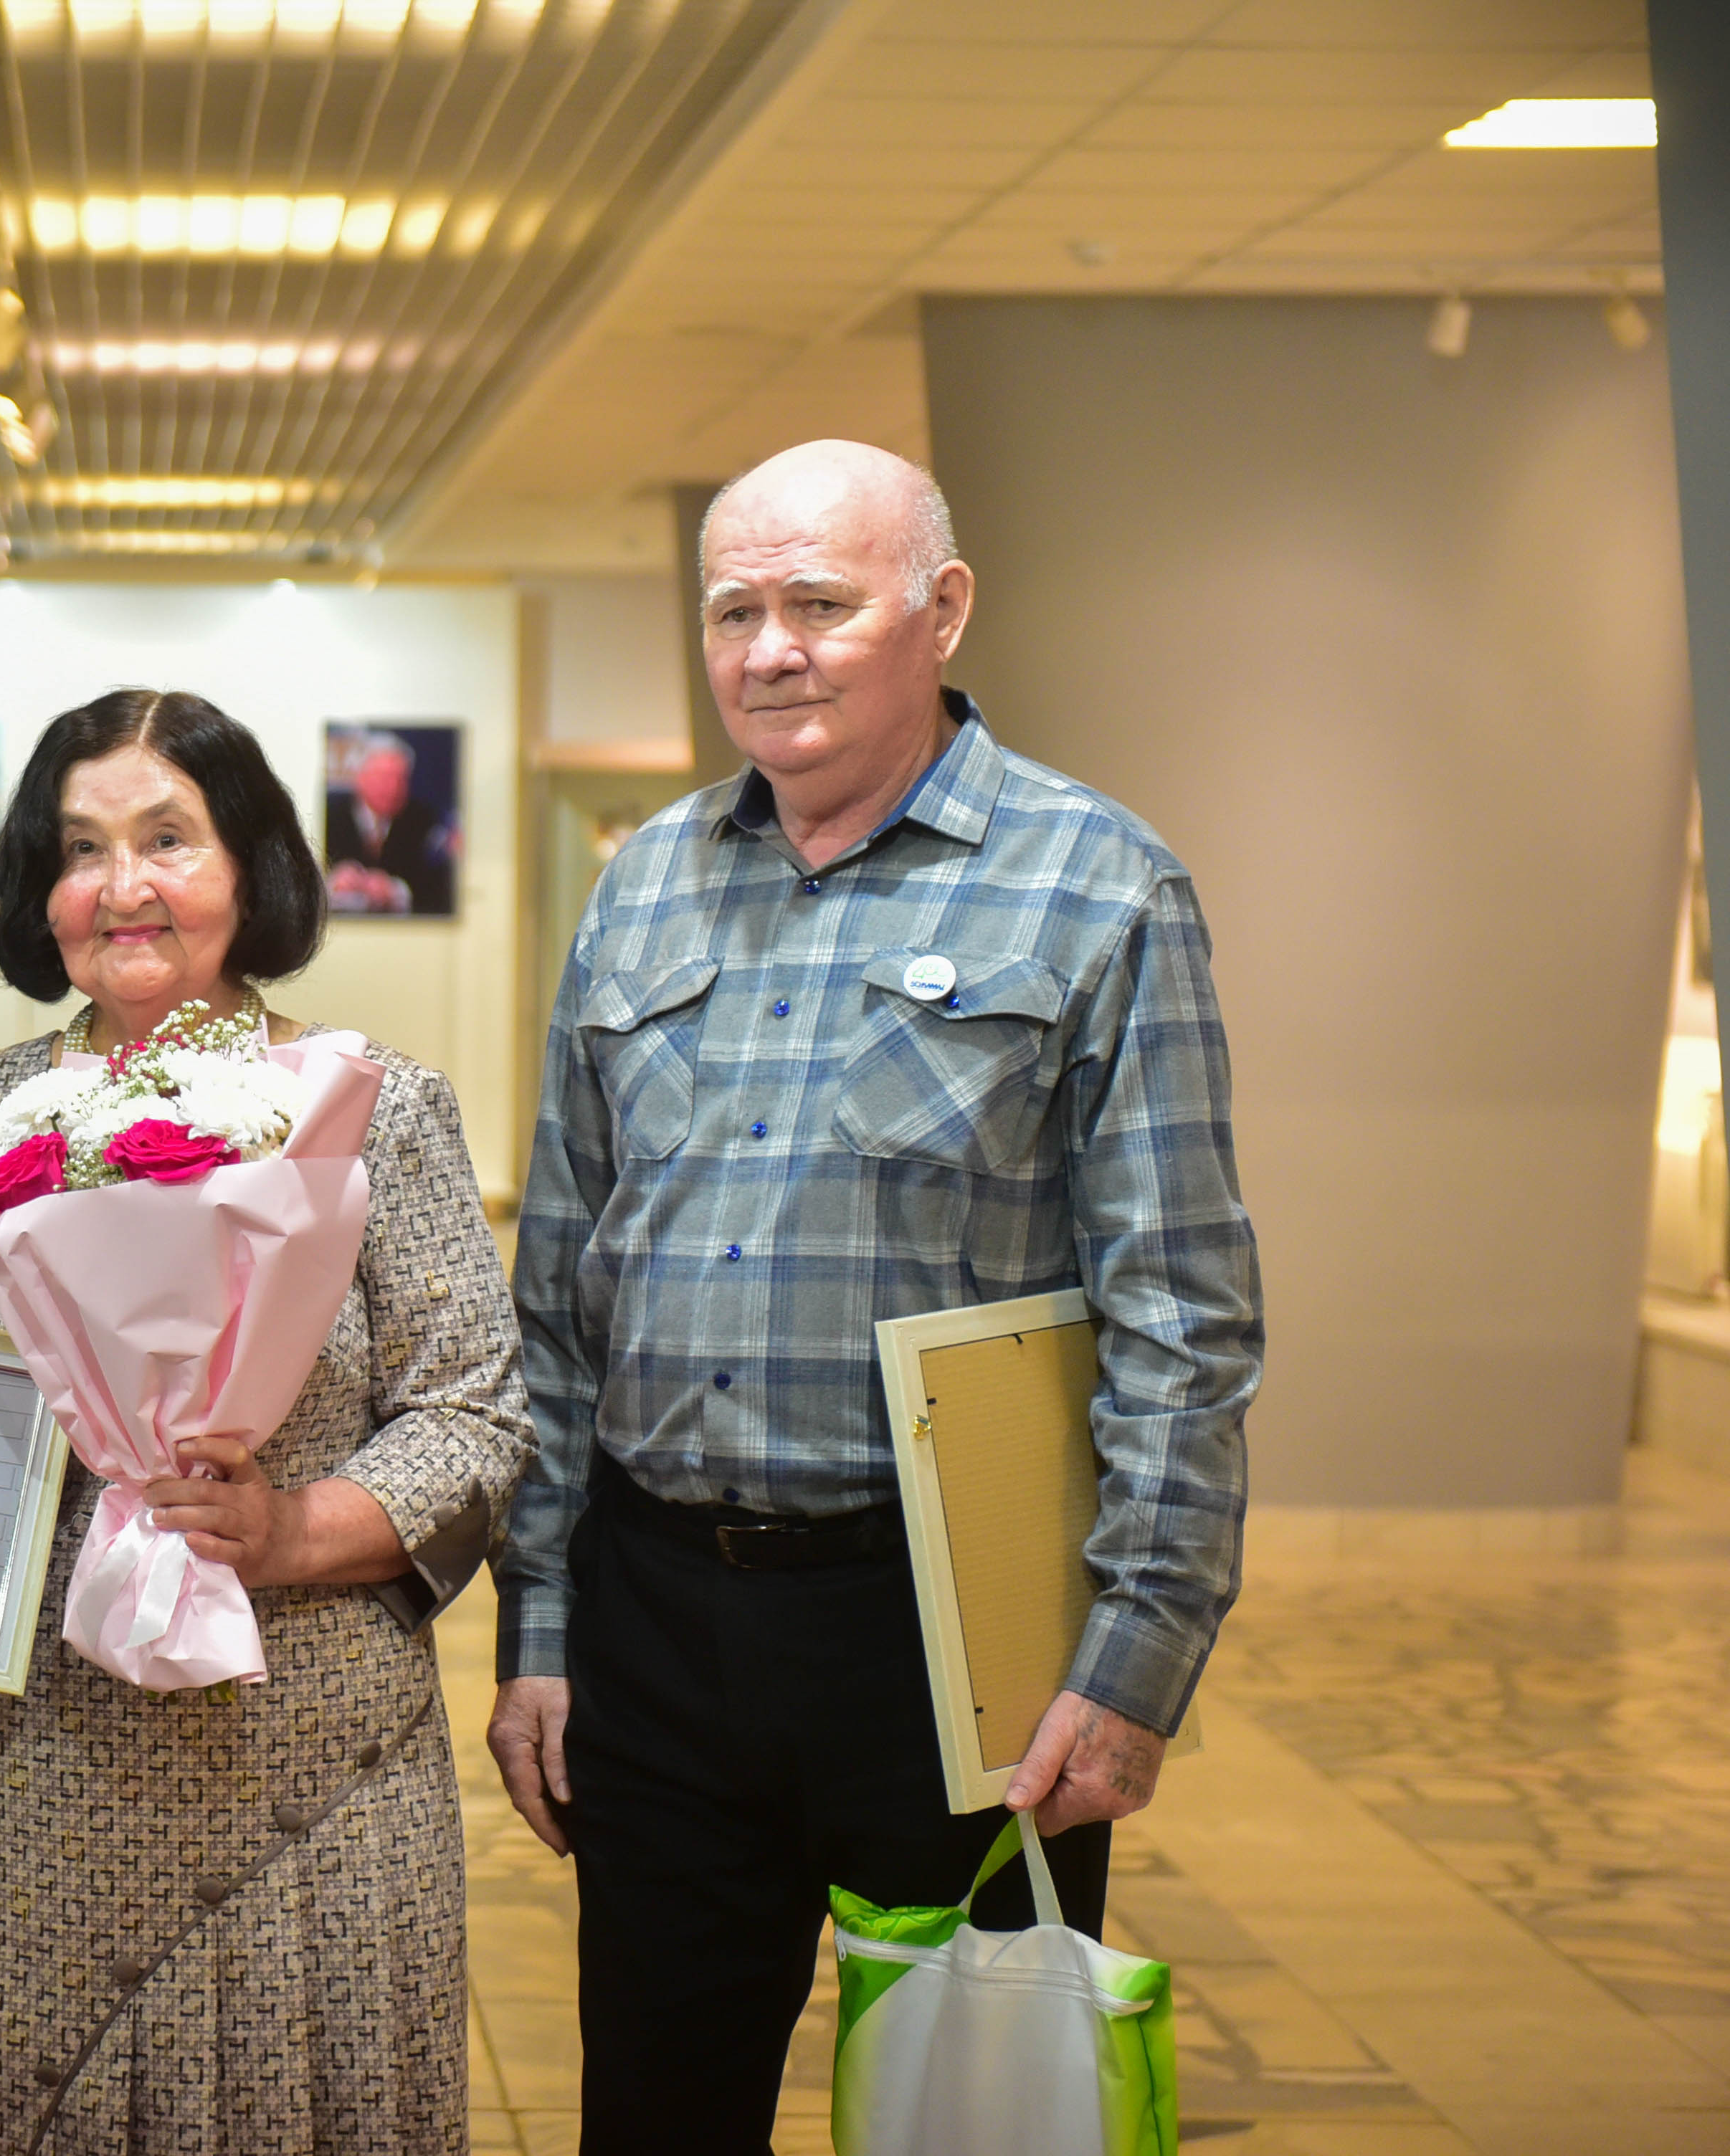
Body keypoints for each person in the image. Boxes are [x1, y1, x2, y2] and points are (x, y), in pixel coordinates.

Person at [486, 439, 1261, 2152]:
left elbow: (1182, 1316)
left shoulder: (1097, 882)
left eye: (819, 604)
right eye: (734, 612)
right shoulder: (642, 882)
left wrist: (1137, 1653)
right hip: (657, 1621)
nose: (772, 649)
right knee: (654, 2117)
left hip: (960, 1635)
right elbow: (555, 1298)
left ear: (942, 607)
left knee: (964, 2126)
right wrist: (539, 1626)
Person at [0, 688, 534, 2154]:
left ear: (250, 864)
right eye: (78, 848)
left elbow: (472, 1416)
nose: (121, 885)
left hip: (298, 1767)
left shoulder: (370, 1108)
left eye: (167, 838)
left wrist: (288, 1530)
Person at [323, 728, 455, 916]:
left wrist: (396, 891)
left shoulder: (424, 820)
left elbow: (438, 893)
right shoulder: (330, 815)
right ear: (360, 778)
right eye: (383, 778)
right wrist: (333, 882)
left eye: (400, 780)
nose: (392, 788)